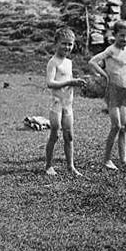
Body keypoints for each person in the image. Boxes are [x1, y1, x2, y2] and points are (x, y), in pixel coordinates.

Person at [89, 19, 126, 173]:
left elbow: (124, 68)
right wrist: (106, 75)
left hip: (123, 92)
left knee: (125, 126)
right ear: (115, 35)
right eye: (122, 36)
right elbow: (92, 61)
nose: (125, 39)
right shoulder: (111, 50)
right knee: (116, 126)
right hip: (112, 91)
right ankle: (107, 159)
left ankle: (124, 159)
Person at [45, 27, 86, 176]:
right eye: (64, 43)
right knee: (54, 135)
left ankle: (71, 166)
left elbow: (68, 81)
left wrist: (76, 83)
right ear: (56, 43)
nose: (67, 47)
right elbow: (50, 83)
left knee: (69, 136)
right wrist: (70, 82)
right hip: (57, 105)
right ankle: (48, 165)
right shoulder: (53, 62)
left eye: (70, 44)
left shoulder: (69, 62)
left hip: (68, 105)